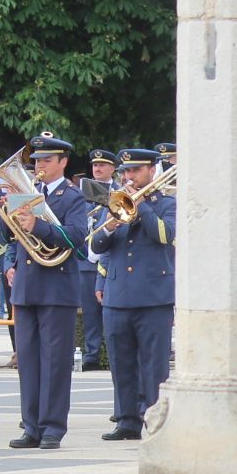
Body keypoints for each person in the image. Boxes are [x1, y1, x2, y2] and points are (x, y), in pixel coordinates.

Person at [6, 133, 90, 449]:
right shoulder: (29, 193)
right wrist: (8, 212)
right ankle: (31, 426)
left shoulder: (72, 196)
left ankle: (52, 426)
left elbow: (78, 236)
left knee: (54, 360)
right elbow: (10, 234)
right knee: (27, 360)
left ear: (63, 162)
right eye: (37, 161)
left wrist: (37, 226)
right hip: (27, 287)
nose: (39, 166)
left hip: (56, 287)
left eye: (46, 160)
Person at [91, 148, 175, 441]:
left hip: (153, 297)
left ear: (152, 171)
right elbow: (97, 245)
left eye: (135, 171)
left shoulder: (166, 204)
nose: (129, 177)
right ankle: (126, 420)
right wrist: (112, 223)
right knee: (121, 362)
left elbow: (166, 236)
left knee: (154, 366)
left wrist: (142, 207)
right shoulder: (113, 203)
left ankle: (153, 419)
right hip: (118, 295)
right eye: (125, 172)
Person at [76, 148, 119, 370]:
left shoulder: (121, 192)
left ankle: (111, 356)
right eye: (94, 165)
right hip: (88, 260)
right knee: (90, 314)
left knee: (112, 312)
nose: (98, 169)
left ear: (112, 168)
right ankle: (91, 356)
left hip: (111, 257)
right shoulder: (83, 194)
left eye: (102, 165)